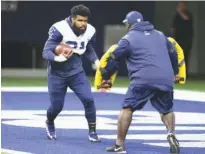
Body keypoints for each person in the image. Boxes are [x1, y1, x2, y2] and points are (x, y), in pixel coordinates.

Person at [100, 11, 180, 153]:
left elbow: (114, 58)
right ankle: (171, 133)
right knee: (167, 110)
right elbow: (173, 53)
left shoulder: (128, 39)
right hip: (165, 79)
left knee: (127, 108)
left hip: (143, 79)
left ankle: (119, 145)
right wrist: (174, 72)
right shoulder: (160, 35)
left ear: (129, 25)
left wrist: (106, 74)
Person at [42, 4, 100, 142]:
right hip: (57, 72)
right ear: (72, 18)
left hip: (76, 71)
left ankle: (92, 131)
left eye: (85, 21)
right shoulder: (60, 28)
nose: (83, 24)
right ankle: (49, 122)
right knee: (57, 106)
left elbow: (88, 47)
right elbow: (46, 51)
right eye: (80, 20)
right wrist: (57, 58)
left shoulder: (90, 30)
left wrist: (95, 60)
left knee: (88, 99)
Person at [170, 1, 194, 75]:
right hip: (178, 39)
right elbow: (173, 27)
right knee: (177, 57)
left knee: (185, 56)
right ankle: (177, 74)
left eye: (181, 5)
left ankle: (185, 74)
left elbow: (186, 18)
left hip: (186, 40)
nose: (180, 6)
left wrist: (180, 12)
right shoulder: (176, 16)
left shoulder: (188, 14)